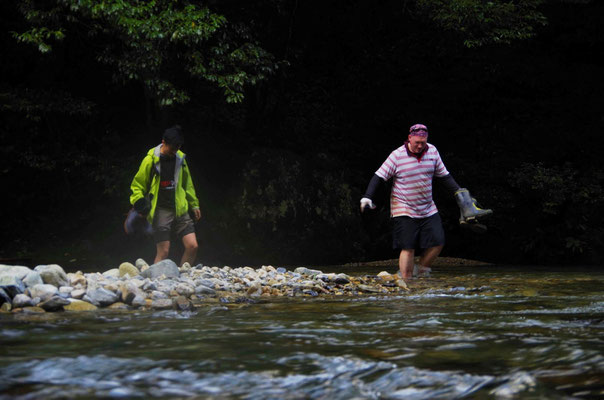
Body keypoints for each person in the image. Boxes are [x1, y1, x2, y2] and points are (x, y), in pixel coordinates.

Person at [360, 123, 491, 280]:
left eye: (423, 142)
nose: (420, 146)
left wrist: (460, 193)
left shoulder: (433, 151)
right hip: (403, 207)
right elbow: (379, 176)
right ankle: (406, 281)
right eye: (417, 143)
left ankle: (422, 269)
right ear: (409, 138)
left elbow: (445, 176)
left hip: (428, 207)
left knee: (438, 241)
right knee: (408, 247)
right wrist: (367, 196)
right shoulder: (397, 155)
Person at [130, 125, 201, 266]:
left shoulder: (180, 158)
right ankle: (156, 282)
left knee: (193, 246)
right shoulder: (150, 160)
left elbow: (187, 184)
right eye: (172, 148)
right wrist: (139, 202)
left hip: (180, 207)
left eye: (177, 148)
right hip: (161, 210)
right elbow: (137, 185)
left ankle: (183, 276)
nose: (174, 152)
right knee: (163, 252)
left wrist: (194, 204)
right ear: (163, 143)